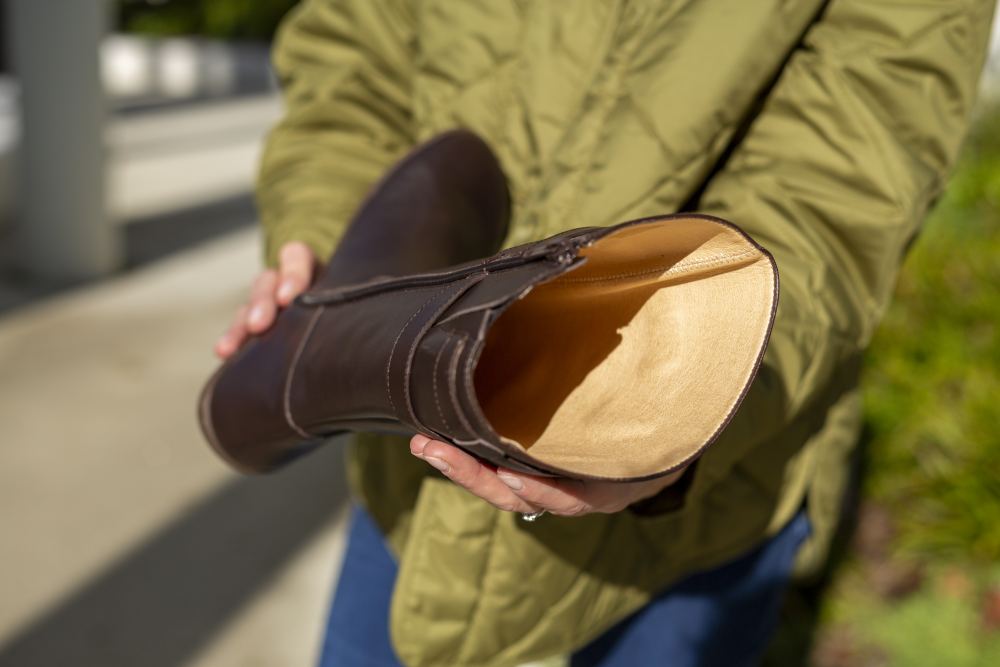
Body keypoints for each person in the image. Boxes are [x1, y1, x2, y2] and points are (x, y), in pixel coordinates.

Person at [215, 1, 995, 665]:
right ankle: (350, 338)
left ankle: (384, 355)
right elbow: (357, 52)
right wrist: (322, 243)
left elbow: (840, 184)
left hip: (684, 536)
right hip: (417, 502)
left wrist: (687, 421)